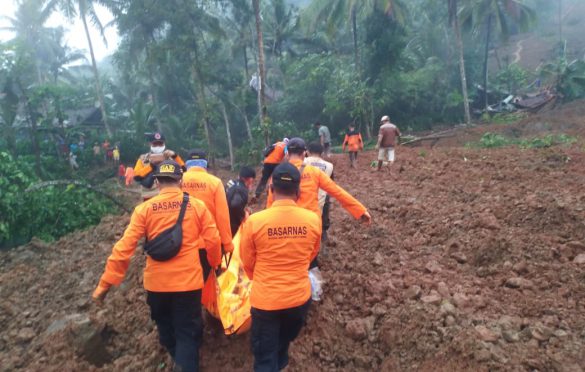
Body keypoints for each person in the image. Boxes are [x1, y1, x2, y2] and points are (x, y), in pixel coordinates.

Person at [92, 160, 221, 372]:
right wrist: (215, 264)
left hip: (157, 285)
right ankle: (185, 363)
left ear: (158, 183)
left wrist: (104, 285)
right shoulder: (197, 206)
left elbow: (124, 248)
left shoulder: (144, 210)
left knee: (166, 329)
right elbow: (213, 241)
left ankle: (178, 357)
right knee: (187, 333)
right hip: (188, 284)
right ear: (181, 181)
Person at [240, 162, 321, 372]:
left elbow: (247, 262)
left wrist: (260, 279)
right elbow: (312, 254)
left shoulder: (255, 222)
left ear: (271, 189)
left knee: (265, 357)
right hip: (299, 299)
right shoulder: (313, 220)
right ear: (298, 192)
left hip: (266, 301)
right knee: (282, 346)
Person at [182, 149, 234, 254]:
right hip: (209, 243)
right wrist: (227, 243)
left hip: (182, 243)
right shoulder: (215, 182)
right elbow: (222, 216)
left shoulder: (177, 181)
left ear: (186, 164)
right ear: (205, 164)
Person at [134, 132, 185, 200]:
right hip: (150, 197)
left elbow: (184, 170)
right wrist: (151, 166)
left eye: (160, 144)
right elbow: (136, 176)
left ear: (164, 144)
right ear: (150, 144)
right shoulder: (143, 159)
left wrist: (175, 156)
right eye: (155, 144)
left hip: (170, 197)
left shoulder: (172, 158)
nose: (158, 146)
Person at [304, 143, 333, 253]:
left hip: (306, 197)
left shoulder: (302, 163)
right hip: (322, 196)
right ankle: (323, 235)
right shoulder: (328, 165)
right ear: (322, 153)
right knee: (323, 217)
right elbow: (331, 184)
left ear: (308, 151)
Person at [225, 166, 256, 236]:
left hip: (222, 219)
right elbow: (235, 205)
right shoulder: (241, 189)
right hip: (232, 223)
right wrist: (243, 214)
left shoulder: (230, 183)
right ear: (250, 179)